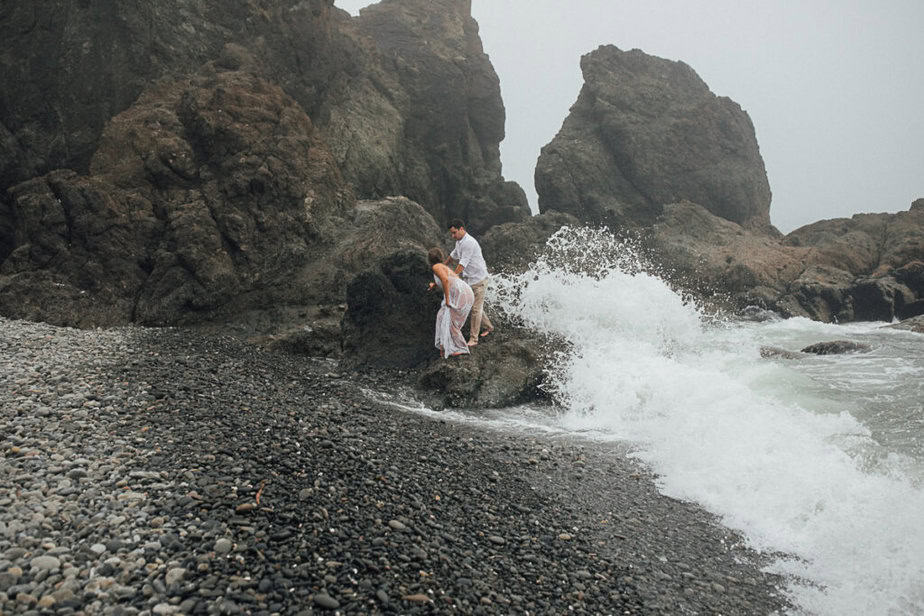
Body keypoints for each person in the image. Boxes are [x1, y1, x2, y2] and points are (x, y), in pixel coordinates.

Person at [445, 219, 494, 346]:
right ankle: (489, 327)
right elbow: (453, 256)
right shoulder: (459, 242)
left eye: (454, 233)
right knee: (474, 307)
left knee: (475, 310)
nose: (453, 236)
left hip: (479, 280)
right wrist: (441, 266)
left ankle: (474, 339)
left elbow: (462, 263)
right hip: (469, 280)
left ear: (462, 229)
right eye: (451, 233)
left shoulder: (469, 243)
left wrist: (453, 277)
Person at [427, 247, 474, 358]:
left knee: (451, 320)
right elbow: (447, 278)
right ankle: (444, 346)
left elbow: (445, 280)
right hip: (465, 292)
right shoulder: (442, 266)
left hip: (460, 294)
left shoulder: (436, 267)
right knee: (441, 316)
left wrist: (447, 299)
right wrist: (434, 285)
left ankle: (460, 348)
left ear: (429, 260)